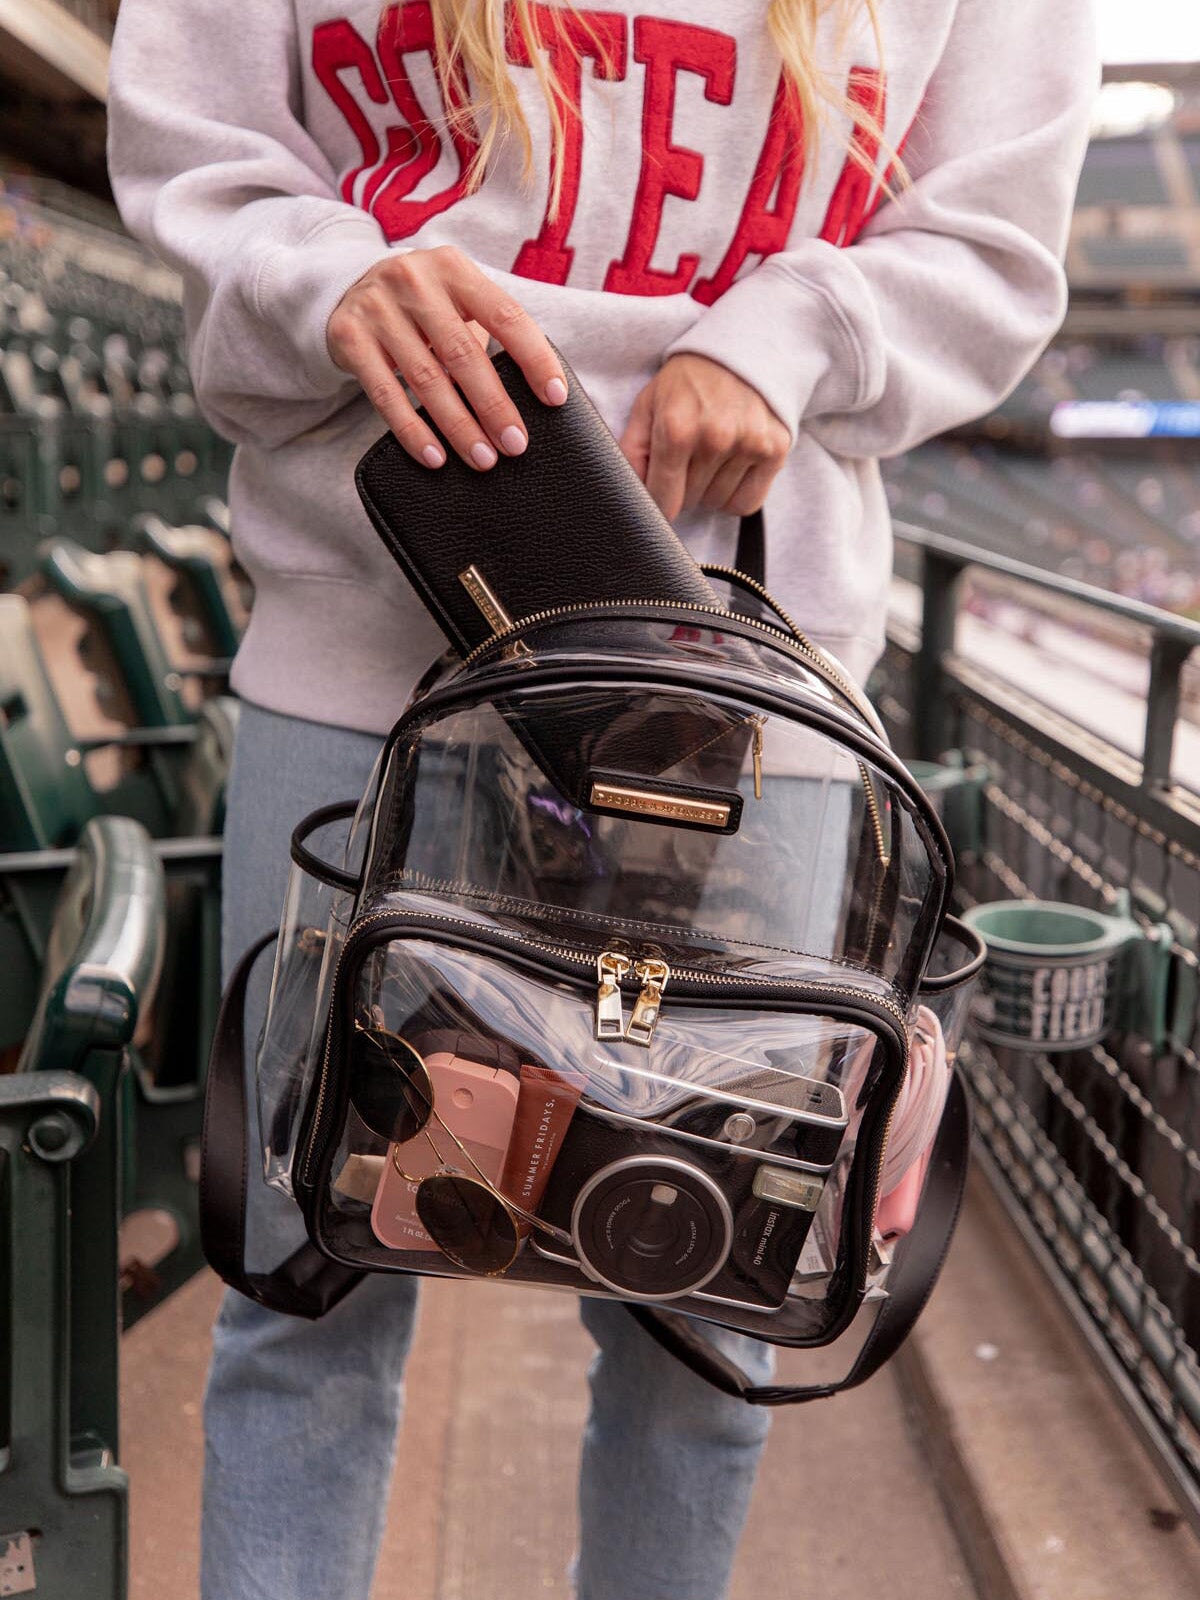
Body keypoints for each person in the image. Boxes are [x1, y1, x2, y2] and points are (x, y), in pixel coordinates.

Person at [106, 2, 1096, 1595]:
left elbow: (993, 235)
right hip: (371, 628)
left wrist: (790, 330)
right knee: (305, 1284)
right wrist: (326, 270)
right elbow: (197, 139)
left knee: (702, 1311)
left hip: (742, 687)